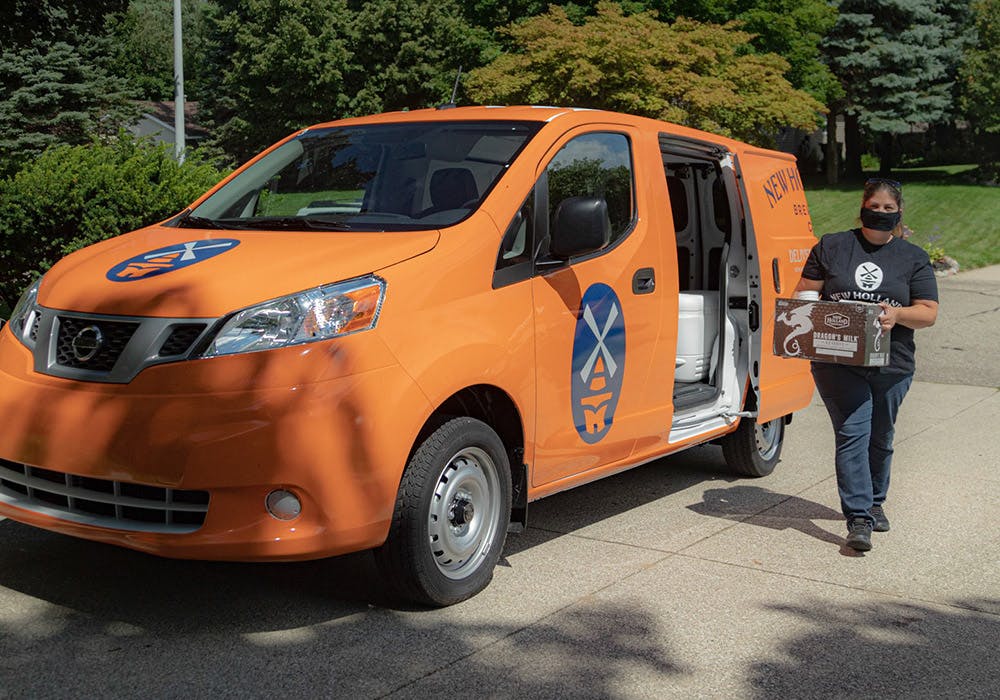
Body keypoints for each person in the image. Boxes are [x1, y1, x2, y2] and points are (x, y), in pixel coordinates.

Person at [794, 178, 939, 552]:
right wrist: (814, 309)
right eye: (874, 206)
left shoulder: (912, 257)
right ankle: (858, 517)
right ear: (862, 205)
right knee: (852, 431)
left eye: (889, 209)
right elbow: (807, 290)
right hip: (836, 359)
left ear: (899, 212)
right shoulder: (833, 246)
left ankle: (875, 501)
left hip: (893, 363)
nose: (880, 213)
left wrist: (897, 314)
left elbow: (927, 314)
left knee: (881, 434)